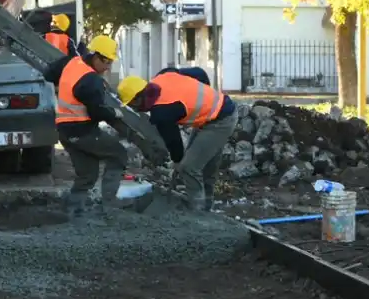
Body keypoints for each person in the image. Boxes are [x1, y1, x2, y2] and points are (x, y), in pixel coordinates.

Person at [118, 65, 236, 212]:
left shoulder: (161, 113)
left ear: (136, 100)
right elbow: (199, 73)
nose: (134, 109)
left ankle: (198, 212)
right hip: (213, 113)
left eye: (131, 105)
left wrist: (178, 163)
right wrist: (203, 98)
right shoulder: (162, 75)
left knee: (189, 168)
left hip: (221, 120)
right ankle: (206, 207)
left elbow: (175, 146)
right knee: (202, 165)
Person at [46, 34, 125, 219]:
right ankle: (109, 206)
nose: (108, 67)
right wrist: (114, 113)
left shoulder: (71, 62)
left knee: (87, 174)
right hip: (82, 131)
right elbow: (97, 113)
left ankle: (73, 211)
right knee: (119, 154)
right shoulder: (91, 80)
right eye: (107, 62)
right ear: (96, 56)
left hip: (65, 132)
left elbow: (48, 74)